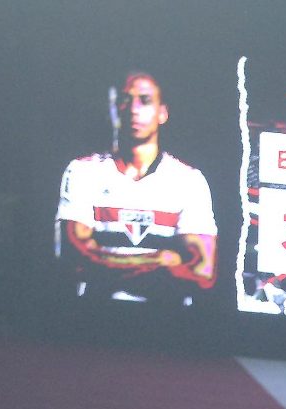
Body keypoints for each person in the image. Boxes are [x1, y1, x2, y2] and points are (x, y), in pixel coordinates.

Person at [55, 70, 217, 304]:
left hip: (167, 323)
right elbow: (74, 260)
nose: (133, 109)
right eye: (124, 100)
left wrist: (104, 265)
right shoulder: (83, 171)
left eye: (145, 100)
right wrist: (160, 261)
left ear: (163, 112)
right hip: (93, 318)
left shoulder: (189, 180)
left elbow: (203, 274)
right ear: (113, 108)